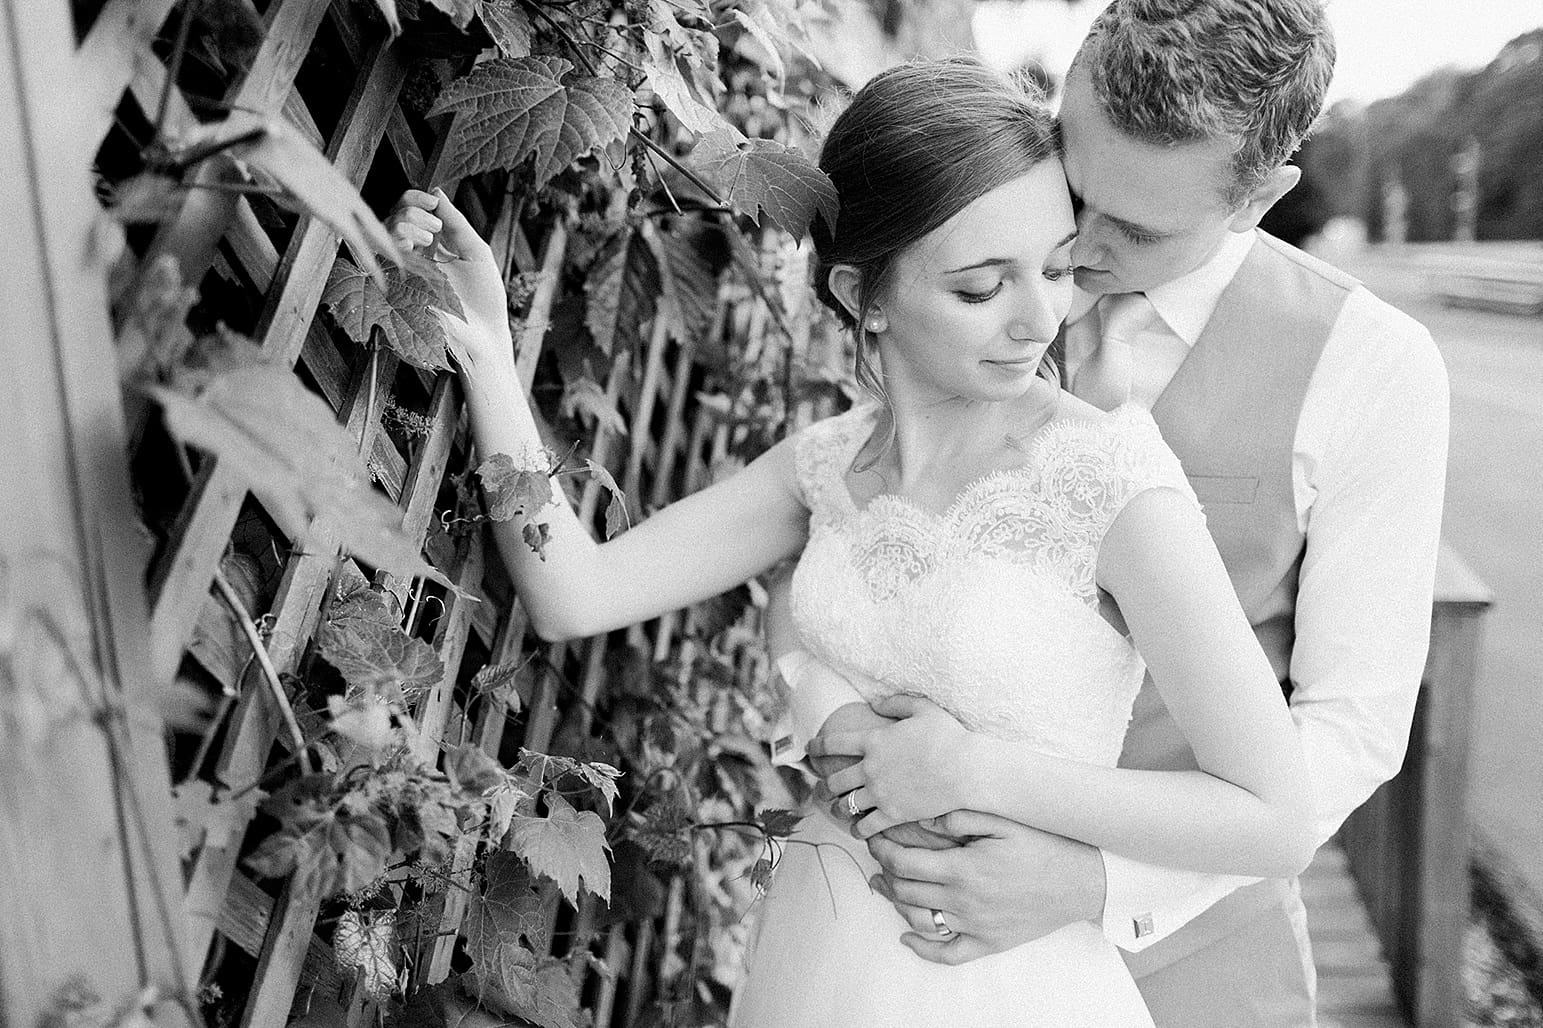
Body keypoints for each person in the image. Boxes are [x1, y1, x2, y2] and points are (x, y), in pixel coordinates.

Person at [388, 57, 1322, 1027]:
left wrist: (974, 770)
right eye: (979, 287)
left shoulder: (1110, 477)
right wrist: (491, 356)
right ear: (863, 293)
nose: (1037, 318)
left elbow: (1276, 816)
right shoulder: (822, 465)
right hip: (816, 959)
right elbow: (572, 591)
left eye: (1055, 268)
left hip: (1004, 984)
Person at [773, 2, 1451, 1025]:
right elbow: (849, 536)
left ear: (1259, 199)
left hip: (1200, 957)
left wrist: (1095, 881)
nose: (1078, 250)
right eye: (1077, 186)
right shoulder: (963, 283)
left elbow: (1351, 729)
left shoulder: (1373, 367)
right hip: (904, 931)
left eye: (1134, 229)